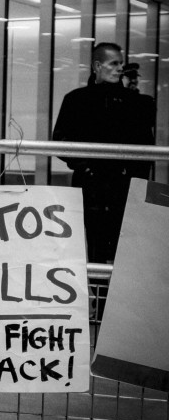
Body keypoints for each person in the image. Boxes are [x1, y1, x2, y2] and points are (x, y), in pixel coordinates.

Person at [53, 42, 155, 265]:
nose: (120, 68)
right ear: (97, 66)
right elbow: (60, 141)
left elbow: (147, 148)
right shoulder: (77, 100)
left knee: (126, 252)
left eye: (121, 63)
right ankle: (99, 298)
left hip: (124, 186)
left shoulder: (137, 104)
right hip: (91, 185)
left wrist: (138, 183)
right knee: (93, 247)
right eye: (114, 63)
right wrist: (85, 166)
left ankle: (116, 299)